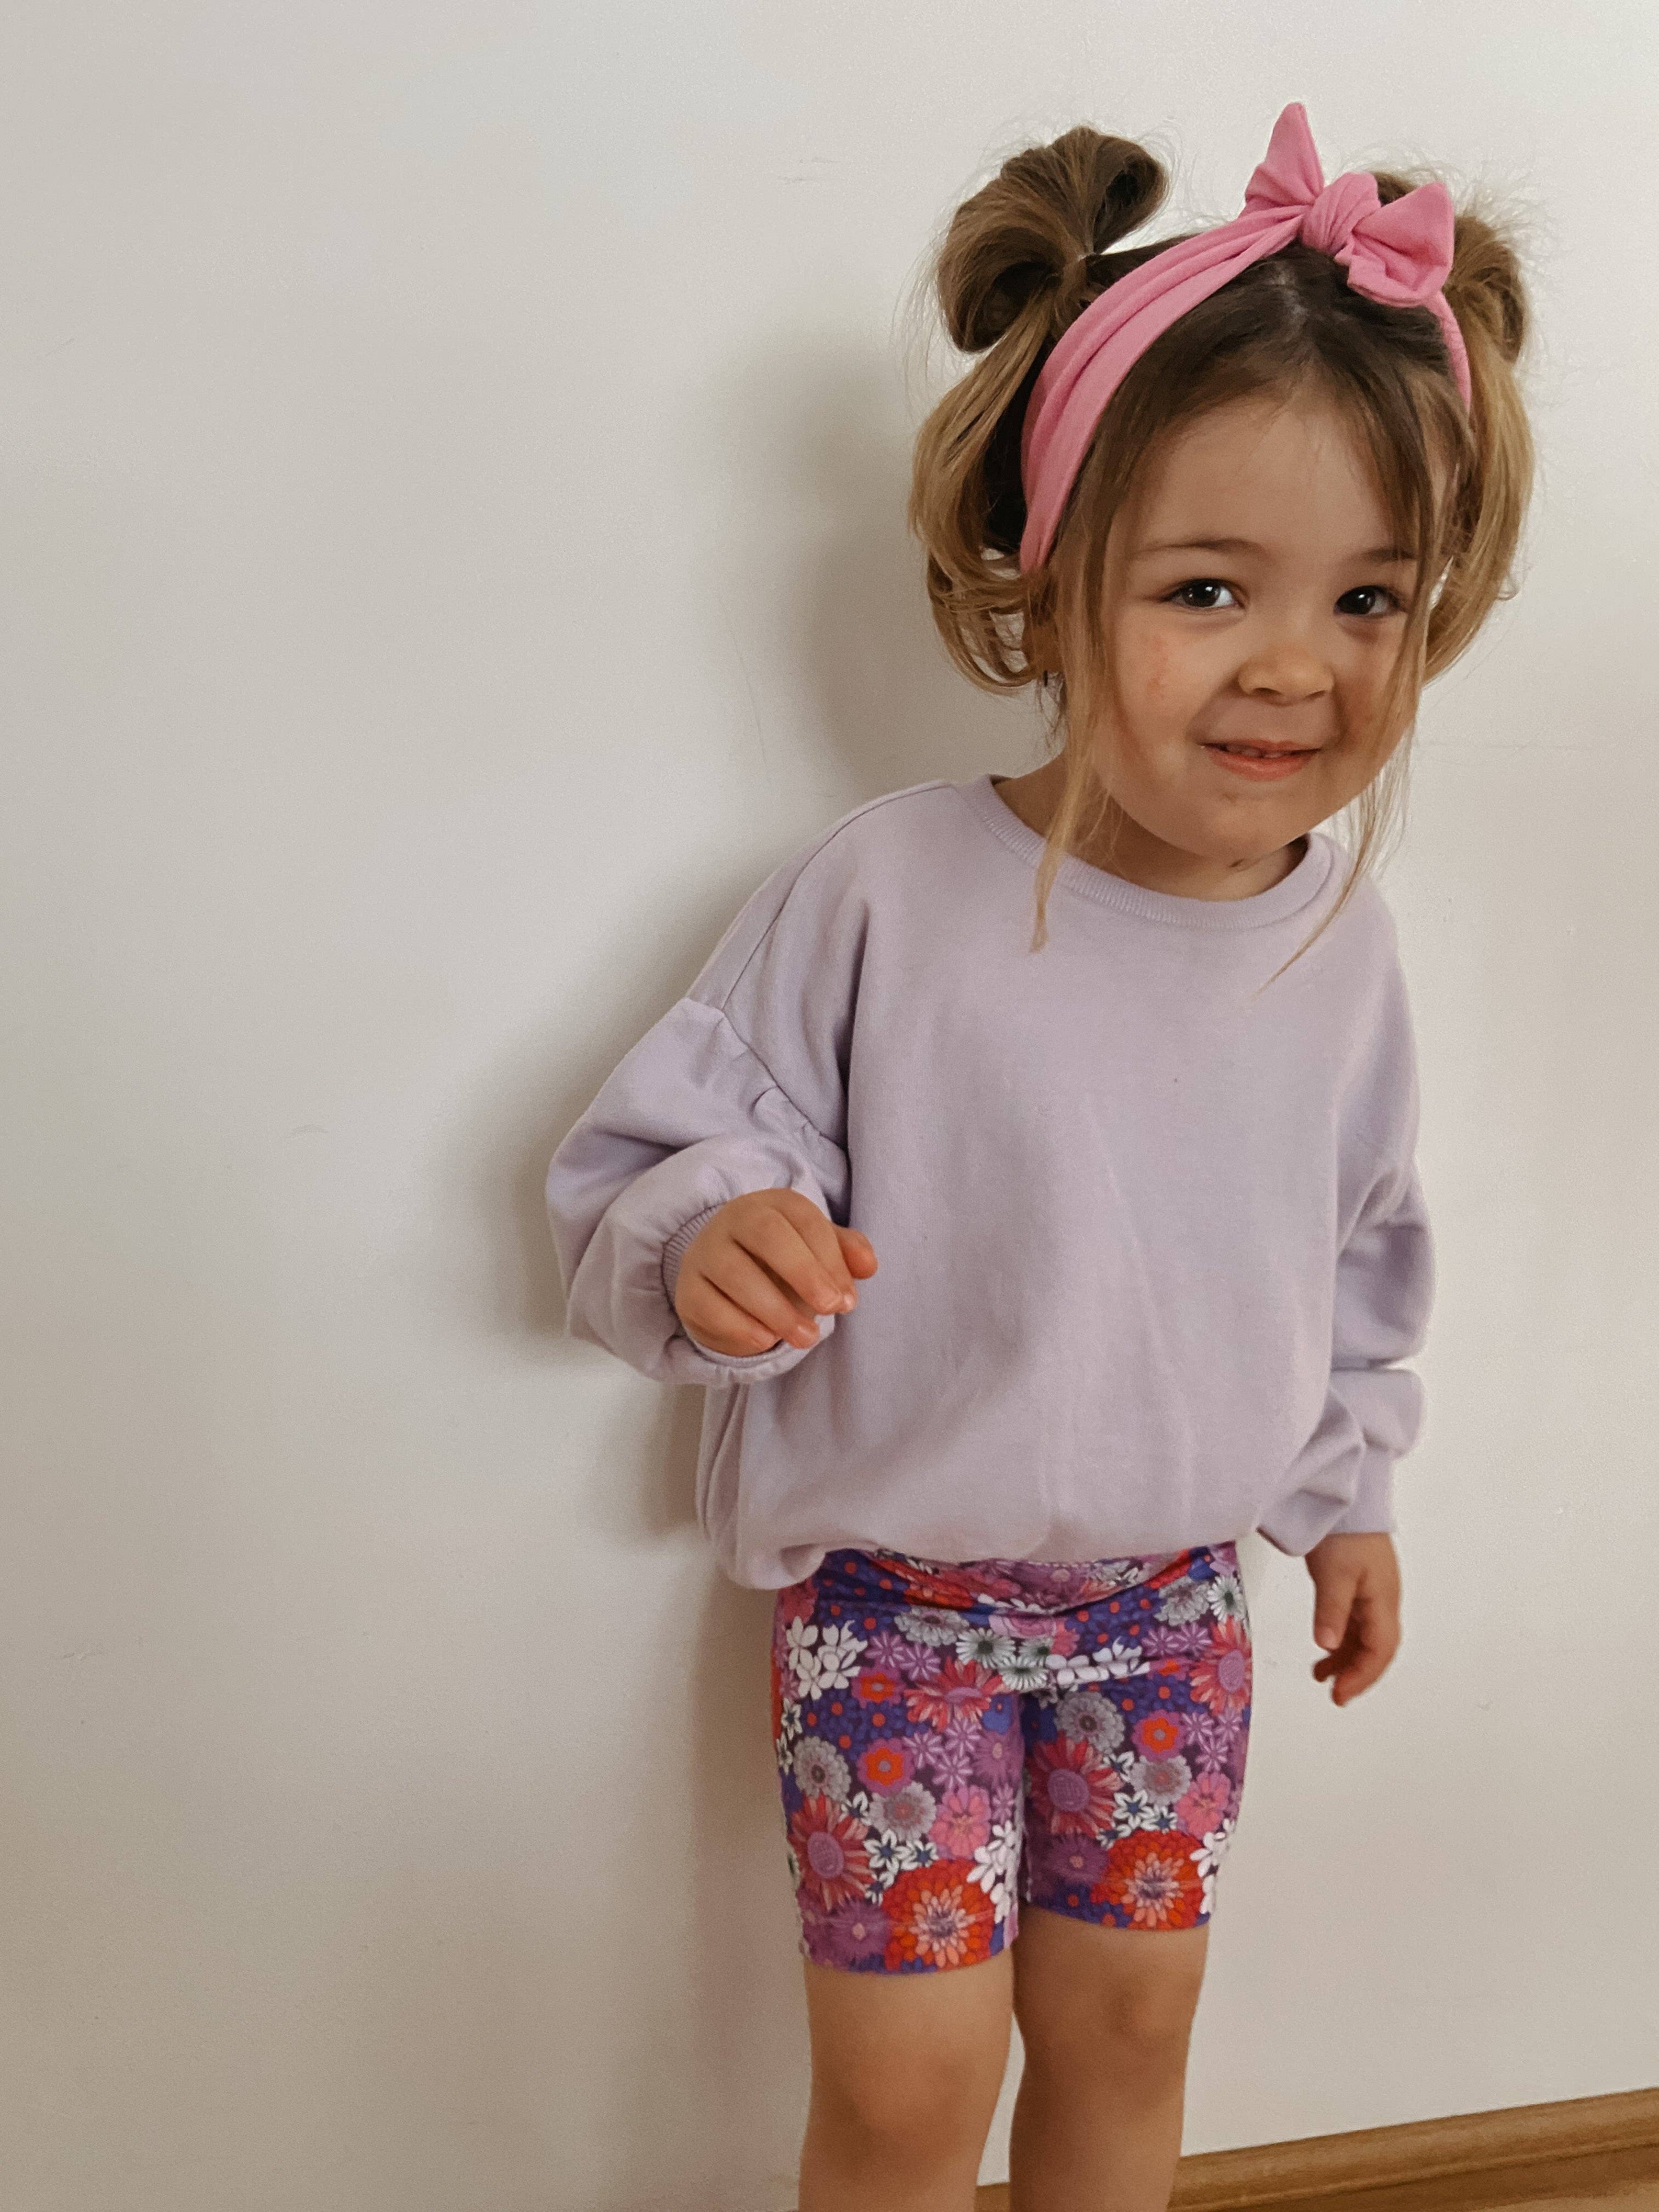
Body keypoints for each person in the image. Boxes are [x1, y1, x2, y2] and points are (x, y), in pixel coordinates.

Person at [546, 99, 1534, 2212]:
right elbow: (655, 1163)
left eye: (1371, 595)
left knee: (1133, 2039)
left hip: (1176, 1611)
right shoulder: (890, 894)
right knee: (909, 2097)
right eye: (1209, 587)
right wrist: (710, 1237)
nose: (1297, 664)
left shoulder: (1344, 946)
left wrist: (1348, 1494)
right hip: (895, 1616)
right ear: (1051, 567)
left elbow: (1354, 1250)